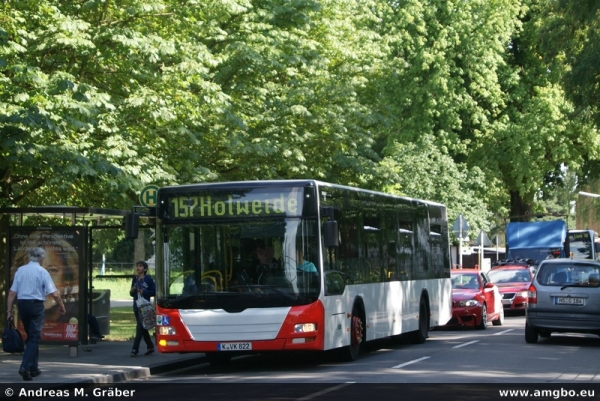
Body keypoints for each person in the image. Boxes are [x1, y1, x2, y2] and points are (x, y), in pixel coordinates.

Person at [6, 247, 67, 381]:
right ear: (42, 258)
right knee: (34, 337)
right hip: (36, 306)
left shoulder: (20, 271)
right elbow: (54, 293)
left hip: (22, 305)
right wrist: (62, 305)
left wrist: (9, 311)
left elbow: (12, 293)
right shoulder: (42, 271)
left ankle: (34, 368)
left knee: (31, 336)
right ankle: (25, 366)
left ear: (29, 257)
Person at [129, 261, 156, 357]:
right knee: (143, 327)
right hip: (137, 306)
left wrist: (144, 292)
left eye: (140, 266)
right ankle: (150, 346)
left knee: (139, 328)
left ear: (144, 269)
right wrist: (132, 291)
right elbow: (131, 294)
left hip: (145, 307)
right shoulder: (134, 279)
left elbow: (154, 291)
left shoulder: (148, 279)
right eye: (137, 266)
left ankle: (134, 349)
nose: (138, 268)